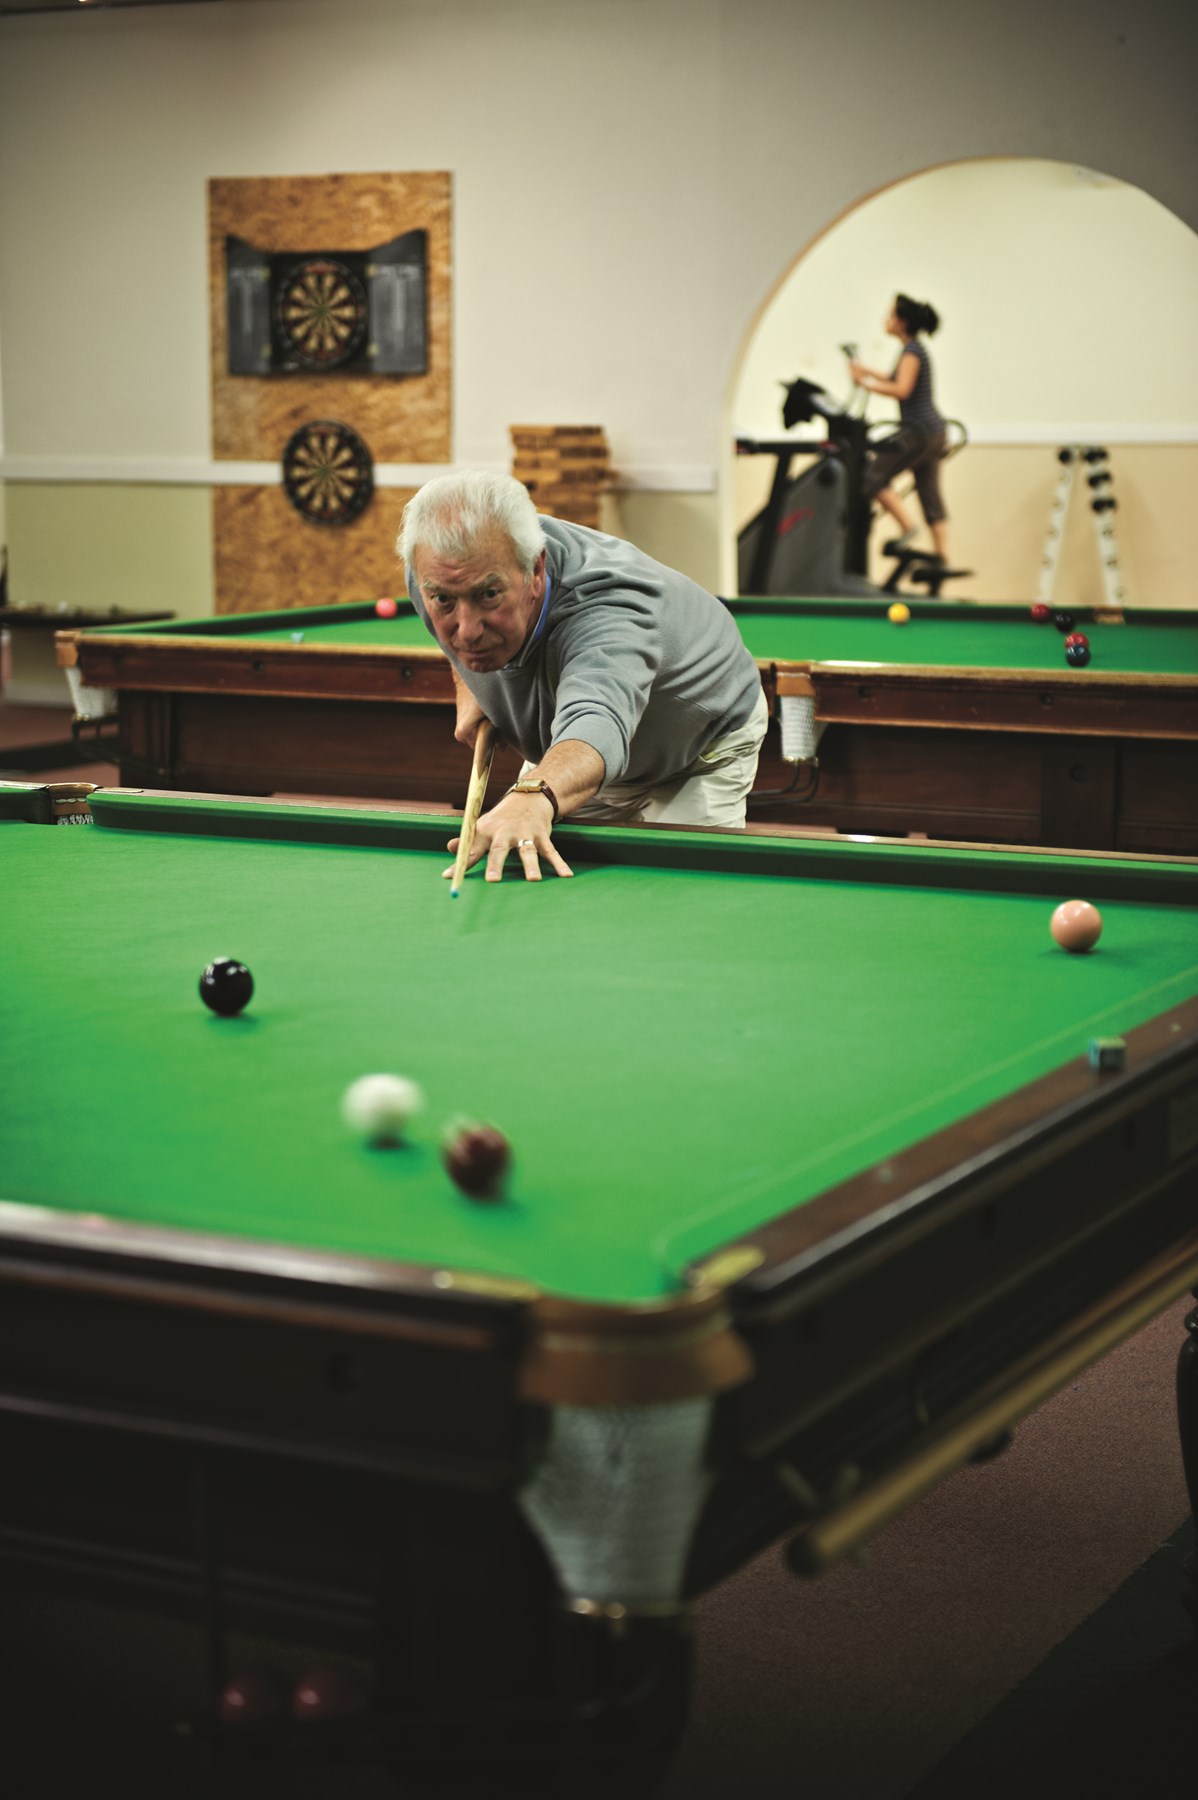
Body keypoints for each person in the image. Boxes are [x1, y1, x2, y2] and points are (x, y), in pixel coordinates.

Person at [397, 471, 768, 883]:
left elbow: (598, 723)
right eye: (445, 600)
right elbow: (456, 632)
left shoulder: (608, 610)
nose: (466, 629)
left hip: (697, 746)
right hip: (573, 744)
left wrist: (535, 792)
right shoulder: (433, 570)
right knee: (532, 864)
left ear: (535, 571)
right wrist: (468, 684)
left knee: (678, 898)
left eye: (488, 595)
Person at [848, 294, 952, 564]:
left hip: (920, 431)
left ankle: (908, 528)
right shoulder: (913, 349)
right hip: (934, 431)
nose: (886, 320)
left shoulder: (911, 351)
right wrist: (865, 371)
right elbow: (894, 377)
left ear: (902, 322)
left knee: (873, 476)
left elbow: (901, 389)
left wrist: (865, 384)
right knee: (929, 493)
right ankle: (942, 556)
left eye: (891, 315)